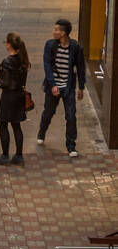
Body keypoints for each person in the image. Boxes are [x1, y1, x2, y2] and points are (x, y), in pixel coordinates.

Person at [37, 18, 86, 157]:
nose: (54, 32)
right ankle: (42, 131)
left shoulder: (76, 47)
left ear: (63, 33)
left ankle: (71, 146)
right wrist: (53, 85)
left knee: (71, 116)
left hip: (68, 87)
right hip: (53, 86)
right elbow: (47, 66)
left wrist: (81, 87)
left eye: (56, 30)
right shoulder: (50, 45)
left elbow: (80, 68)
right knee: (48, 112)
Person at [0, 32, 30, 166]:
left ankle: (5, 155)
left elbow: (6, 83)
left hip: (9, 97)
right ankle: (19, 155)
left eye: (5, 42)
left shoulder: (7, 62)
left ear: (9, 45)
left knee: (3, 123)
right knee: (16, 125)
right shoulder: (23, 59)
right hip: (19, 96)